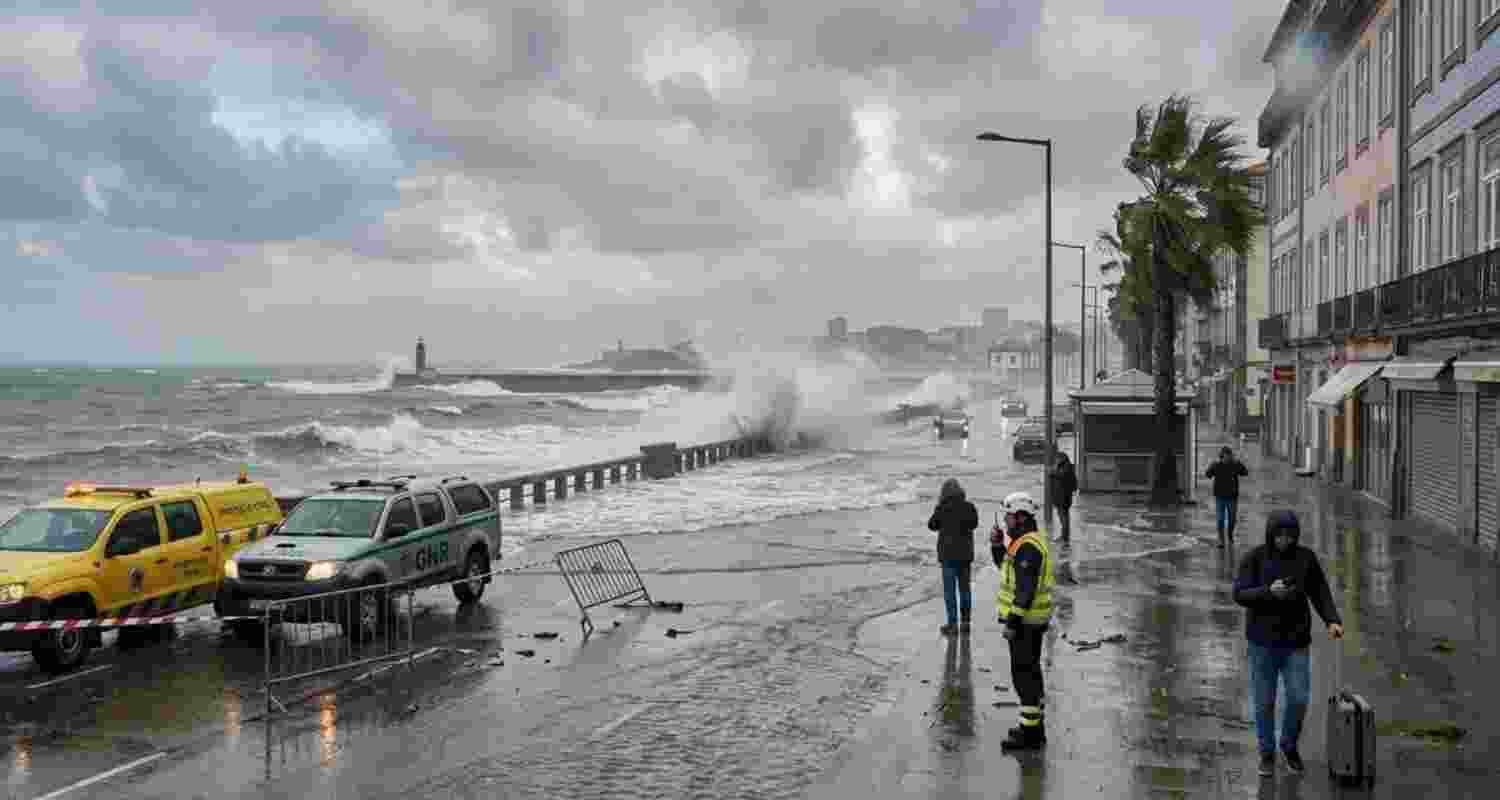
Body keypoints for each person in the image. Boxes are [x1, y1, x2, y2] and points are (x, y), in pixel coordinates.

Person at [1232, 509, 1345, 776]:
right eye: (1279, 535)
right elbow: (1239, 593)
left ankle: (1289, 745)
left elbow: (1319, 591)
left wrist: (1332, 620)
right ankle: (1267, 753)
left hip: (1296, 642)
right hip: (1262, 643)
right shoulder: (1255, 558)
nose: (1284, 540)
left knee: (1298, 697)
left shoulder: (1306, 559)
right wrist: (1268, 593)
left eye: (1290, 536)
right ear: (1271, 535)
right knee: (1264, 701)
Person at [991, 491, 1056, 751]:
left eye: (1008, 518)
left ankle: (1030, 735)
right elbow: (1007, 568)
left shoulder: (1028, 547)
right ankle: (1034, 727)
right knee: (1031, 673)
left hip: (1026, 623)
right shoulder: (1023, 543)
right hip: (1032, 622)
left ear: (1020, 517)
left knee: (1024, 676)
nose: (1005, 523)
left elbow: (1025, 591)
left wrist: (1012, 623)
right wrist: (997, 545)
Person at [927, 478, 979, 635]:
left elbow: (932, 525)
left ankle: (952, 624)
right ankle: (966, 623)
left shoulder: (942, 508)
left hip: (948, 556)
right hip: (965, 556)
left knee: (950, 592)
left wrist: (939, 509)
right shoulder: (969, 507)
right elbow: (974, 523)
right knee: (965, 589)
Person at [1206, 446, 1249, 545]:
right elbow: (1208, 475)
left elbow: (1245, 472)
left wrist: (1239, 463)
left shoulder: (1235, 465)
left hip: (1232, 497)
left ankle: (1230, 534)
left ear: (1231, 456)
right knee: (1220, 519)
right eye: (1225, 456)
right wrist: (1211, 466)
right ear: (1221, 456)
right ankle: (1220, 539)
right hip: (1219, 497)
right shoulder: (1216, 465)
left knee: (1232, 519)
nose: (1227, 458)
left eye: (1229, 456)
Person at [1049, 451, 1078, 542]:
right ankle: (1064, 536)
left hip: (1063, 498)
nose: (1056, 460)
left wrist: (1053, 470)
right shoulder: (1066, 467)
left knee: (1063, 517)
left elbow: (1059, 475)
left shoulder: (1066, 467)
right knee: (1063, 517)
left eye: (1057, 458)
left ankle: (1065, 537)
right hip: (1062, 497)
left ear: (1062, 459)